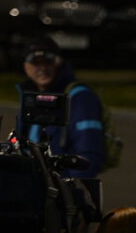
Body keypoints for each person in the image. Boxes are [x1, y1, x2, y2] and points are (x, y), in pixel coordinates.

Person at [16, 38, 104, 180]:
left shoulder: (80, 97)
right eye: (36, 63)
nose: (43, 68)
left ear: (59, 62)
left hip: (62, 188)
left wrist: (69, 188)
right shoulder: (30, 97)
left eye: (48, 62)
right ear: (25, 66)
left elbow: (89, 155)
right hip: (36, 185)